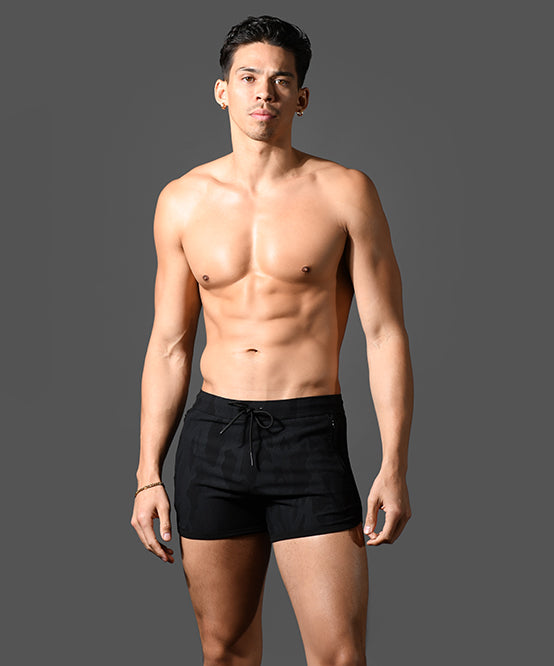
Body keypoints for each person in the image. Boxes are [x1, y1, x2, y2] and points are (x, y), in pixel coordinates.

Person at [131, 15, 413, 666]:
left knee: (338, 655)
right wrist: (147, 474)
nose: (265, 91)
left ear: (301, 98)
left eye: (282, 80)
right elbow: (169, 345)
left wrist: (394, 465)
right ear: (222, 91)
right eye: (249, 77)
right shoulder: (182, 201)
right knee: (225, 651)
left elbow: (383, 334)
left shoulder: (345, 192)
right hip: (213, 438)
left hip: (308, 435)